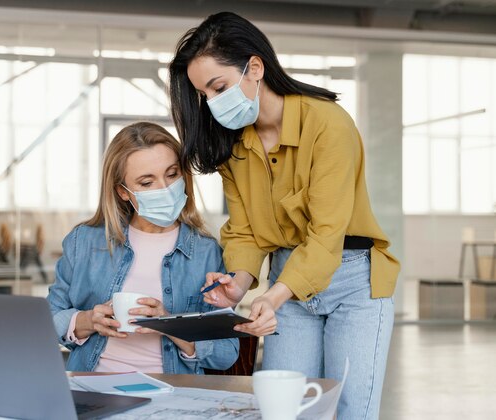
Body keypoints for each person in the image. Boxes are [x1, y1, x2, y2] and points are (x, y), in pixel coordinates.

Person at [169, 12, 400, 419]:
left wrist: (272, 297)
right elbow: (244, 231)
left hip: (353, 283)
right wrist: (238, 285)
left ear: (254, 68)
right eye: (204, 94)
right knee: (283, 410)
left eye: (218, 86)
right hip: (287, 281)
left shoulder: (327, 124)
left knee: (350, 411)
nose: (212, 102)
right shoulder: (234, 148)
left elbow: (327, 235)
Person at [47, 121, 239, 374]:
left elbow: (227, 352)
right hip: (94, 383)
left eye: (172, 174)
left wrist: (171, 325)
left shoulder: (206, 252)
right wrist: (88, 321)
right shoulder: (84, 241)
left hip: (174, 391)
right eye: (147, 183)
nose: (165, 189)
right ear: (122, 192)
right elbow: (46, 322)